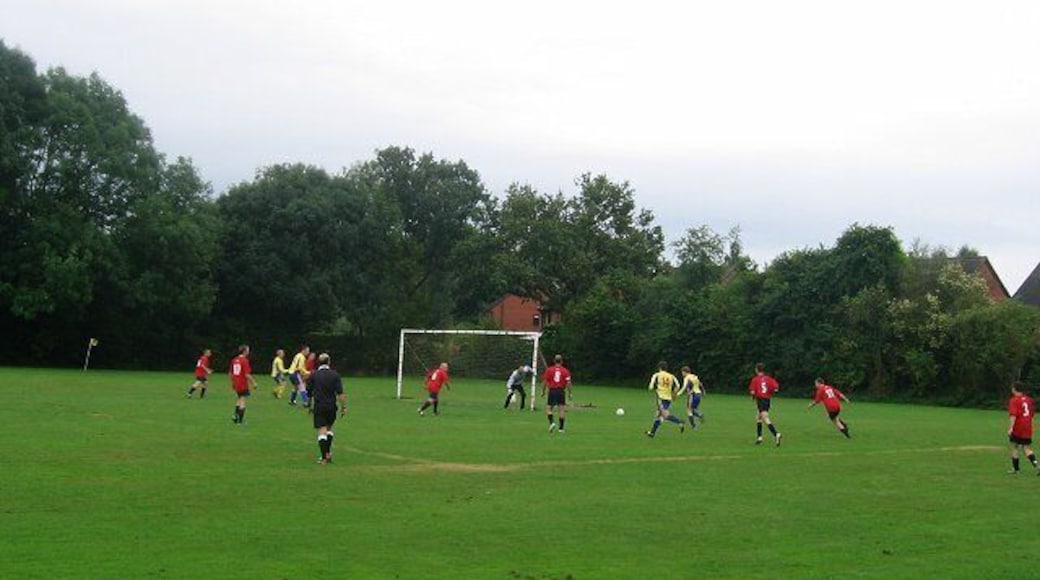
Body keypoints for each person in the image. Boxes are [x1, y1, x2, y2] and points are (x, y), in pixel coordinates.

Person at [309, 353, 347, 465]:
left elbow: (309, 392)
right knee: (329, 429)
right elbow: (340, 393)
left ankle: (324, 458)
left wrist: (309, 405)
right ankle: (328, 454)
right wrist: (344, 407)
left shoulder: (314, 375)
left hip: (319, 406)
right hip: (331, 406)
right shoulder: (335, 375)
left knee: (322, 431)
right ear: (329, 362)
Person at [646, 361, 685, 438]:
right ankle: (652, 433)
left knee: (665, 415)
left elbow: (650, 387)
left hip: (661, 397)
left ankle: (680, 422)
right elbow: (678, 385)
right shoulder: (671, 376)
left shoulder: (656, 375)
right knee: (658, 415)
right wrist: (674, 394)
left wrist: (653, 388)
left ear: (659, 367)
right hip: (668, 398)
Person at [1007, 381, 1038, 475]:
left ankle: (1016, 469)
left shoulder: (1014, 400)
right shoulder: (1029, 400)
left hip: (1018, 426)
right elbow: (1032, 414)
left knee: (1014, 446)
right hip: (1027, 426)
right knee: (1026, 448)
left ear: (1014, 389)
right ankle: (1037, 466)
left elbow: (1013, 415)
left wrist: (1011, 428)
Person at [748, 363, 782, 446]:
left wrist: (752, 396)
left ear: (757, 370)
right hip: (767, 400)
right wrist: (771, 392)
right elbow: (776, 388)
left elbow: (752, 391)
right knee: (758, 417)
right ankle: (759, 437)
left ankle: (776, 434)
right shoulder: (769, 379)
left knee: (765, 418)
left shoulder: (755, 379)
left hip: (760, 400)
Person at [541, 354, 573, 434]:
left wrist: (543, 391)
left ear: (554, 361)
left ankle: (552, 423)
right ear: (562, 361)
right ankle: (561, 429)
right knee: (561, 409)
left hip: (552, 390)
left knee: (549, 409)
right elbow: (569, 383)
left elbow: (545, 381)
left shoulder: (549, 370)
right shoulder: (565, 371)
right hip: (561, 391)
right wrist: (570, 393)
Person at [229, 344, 258, 424]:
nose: (249, 352)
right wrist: (254, 383)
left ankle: (235, 416)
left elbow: (231, 373)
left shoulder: (234, 360)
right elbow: (247, 374)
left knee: (239, 399)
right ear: (245, 351)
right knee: (242, 400)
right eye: (248, 350)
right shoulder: (244, 360)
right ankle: (240, 421)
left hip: (236, 383)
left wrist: (233, 382)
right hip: (242, 383)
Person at [680, 365, 705, 430]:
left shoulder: (687, 378)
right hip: (698, 394)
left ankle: (694, 425)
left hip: (692, 395)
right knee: (693, 409)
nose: (682, 374)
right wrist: (703, 391)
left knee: (689, 410)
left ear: (685, 372)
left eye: (682, 372)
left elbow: (684, 387)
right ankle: (699, 416)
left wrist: (678, 394)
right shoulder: (694, 376)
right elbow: (700, 384)